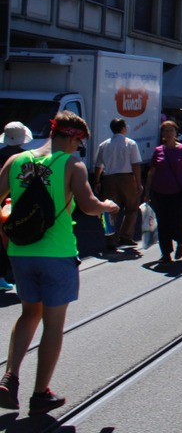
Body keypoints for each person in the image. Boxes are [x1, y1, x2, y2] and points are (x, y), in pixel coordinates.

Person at [0, 112, 119, 414]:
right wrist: (108, 205)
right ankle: (40, 394)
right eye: (80, 143)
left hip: (21, 251)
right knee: (53, 324)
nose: (79, 150)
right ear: (71, 137)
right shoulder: (71, 164)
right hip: (57, 253)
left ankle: (9, 379)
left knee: (29, 314)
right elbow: (90, 206)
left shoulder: (16, 162)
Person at [144, 120, 182, 265]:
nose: (168, 134)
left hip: (177, 192)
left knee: (176, 220)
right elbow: (151, 173)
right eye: (165, 131)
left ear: (176, 133)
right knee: (163, 222)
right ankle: (166, 253)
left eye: (170, 131)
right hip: (159, 192)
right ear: (162, 134)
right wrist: (147, 192)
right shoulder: (158, 151)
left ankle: (180, 241)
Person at [92, 118, 144, 248]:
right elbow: (136, 165)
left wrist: (97, 181)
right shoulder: (130, 143)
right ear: (123, 128)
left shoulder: (103, 145)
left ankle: (110, 238)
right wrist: (138, 183)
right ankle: (125, 236)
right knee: (131, 208)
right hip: (127, 178)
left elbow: (98, 166)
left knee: (109, 210)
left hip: (109, 179)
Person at [0, 122, 33, 292]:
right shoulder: (25, 157)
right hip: (18, 203)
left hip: (1, 202)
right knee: (17, 237)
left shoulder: (0, 154)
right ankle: (12, 273)